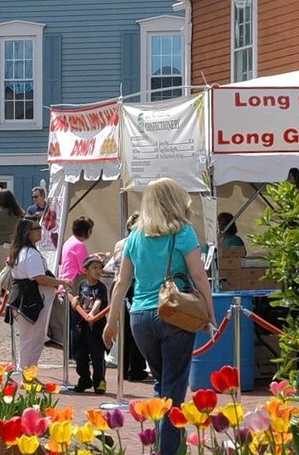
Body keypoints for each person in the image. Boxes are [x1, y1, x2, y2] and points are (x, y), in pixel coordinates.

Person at [103, 178, 216, 455]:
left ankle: (160, 444)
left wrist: (110, 322)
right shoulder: (184, 232)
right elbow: (199, 275)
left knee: (161, 384)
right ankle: (168, 450)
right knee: (174, 389)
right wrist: (209, 313)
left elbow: (121, 282)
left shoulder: (134, 236)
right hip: (174, 312)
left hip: (139, 316)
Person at [9, 219, 72, 370]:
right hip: (30, 301)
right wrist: (61, 282)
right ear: (27, 233)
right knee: (32, 340)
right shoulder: (30, 253)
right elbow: (39, 278)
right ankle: (27, 374)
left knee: (31, 339)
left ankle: (29, 372)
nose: (40, 231)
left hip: (22, 300)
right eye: (36, 228)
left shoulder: (20, 251)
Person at [106, 212, 148, 382]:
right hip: (132, 285)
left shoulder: (120, 243)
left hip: (121, 285)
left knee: (125, 330)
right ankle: (135, 368)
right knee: (134, 330)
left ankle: (125, 367)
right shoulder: (139, 243)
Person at [50, 216, 97, 349]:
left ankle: (72, 349)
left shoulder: (70, 241)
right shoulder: (79, 245)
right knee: (76, 320)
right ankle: (74, 350)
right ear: (86, 231)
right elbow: (85, 267)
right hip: (74, 283)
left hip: (66, 281)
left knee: (71, 319)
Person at [71, 256, 109, 394]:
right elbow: (80, 298)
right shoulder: (83, 284)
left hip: (96, 327)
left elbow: (98, 302)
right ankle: (84, 379)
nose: (98, 271)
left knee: (97, 356)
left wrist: (92, 314)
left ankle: (99, 382)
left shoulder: (101, 287)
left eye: (99, 268)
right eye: (94, 268)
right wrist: (75, 300)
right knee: (80, 355)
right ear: (85, 271)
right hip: (83, 327)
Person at [0, 189, 23, 302]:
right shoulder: (19, 212)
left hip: (0, 244)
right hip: (16, 245)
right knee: (13, 273)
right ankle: (13, 297)